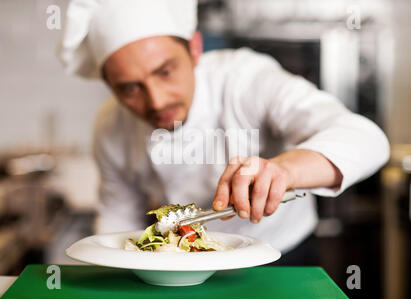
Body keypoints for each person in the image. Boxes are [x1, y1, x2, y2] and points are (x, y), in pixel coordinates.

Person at [57, 0, 390, 255]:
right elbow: (120, 218)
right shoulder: (110, 126)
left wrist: (282, 171)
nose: (156, 101)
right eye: (130, 87)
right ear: (110, 86)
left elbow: (366, 138)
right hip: (177, 262)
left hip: (277, 254)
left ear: (195, 49)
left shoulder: (245, 79)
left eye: (165, 71)